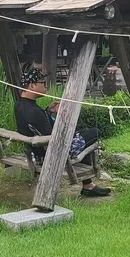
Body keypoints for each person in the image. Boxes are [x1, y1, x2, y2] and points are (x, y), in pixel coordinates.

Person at [14, 66, 111, 198]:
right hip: (53, 153)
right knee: (95, 132)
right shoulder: (34, 111)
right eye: (43, 83)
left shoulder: (20, 105)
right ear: (32, 85)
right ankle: (88, 186)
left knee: (84, 132)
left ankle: (88, 185)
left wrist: (48, 112)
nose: (46, 86)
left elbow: (37, 127)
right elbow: (54, 137)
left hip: (38, 152)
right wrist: (63, 116)